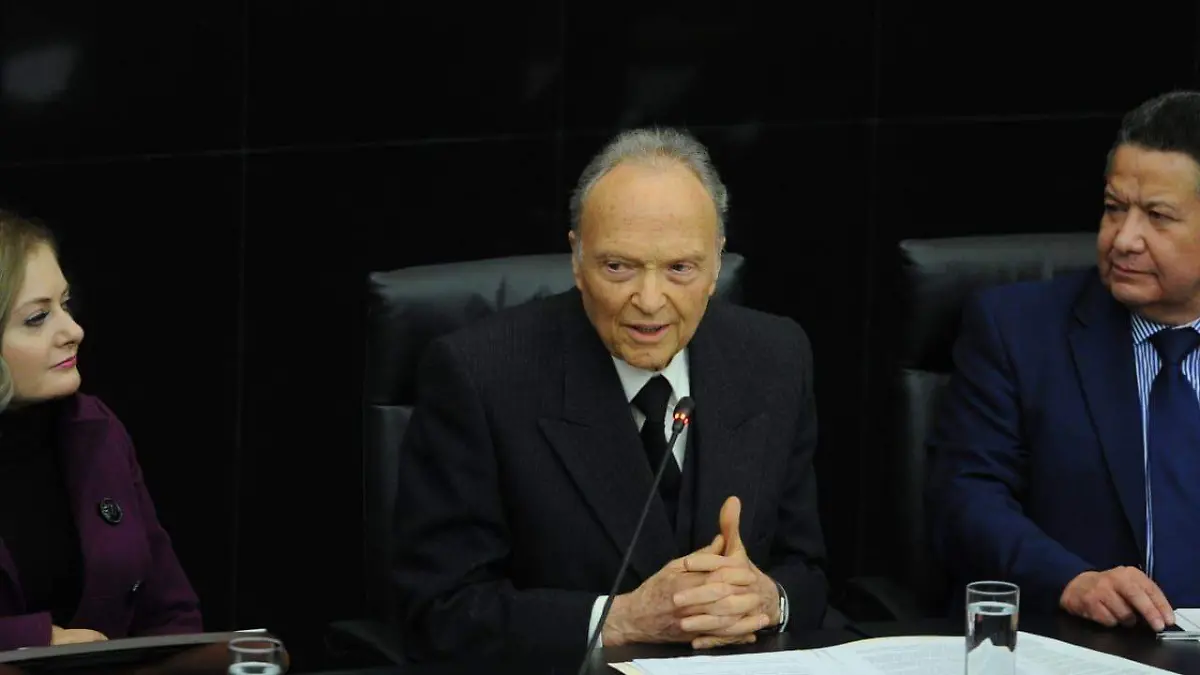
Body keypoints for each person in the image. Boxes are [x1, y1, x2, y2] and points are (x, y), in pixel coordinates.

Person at [391, 128, 828, 660]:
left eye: (680, 268)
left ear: (716, 264)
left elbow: (806, 570)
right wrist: (617, 620)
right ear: (577, 260)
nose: (650, 300)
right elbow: (440, 610)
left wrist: (769, 600)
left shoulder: (775, 356)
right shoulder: (479, 376)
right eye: (618, 267)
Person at [926, 90, 1200, 633]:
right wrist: (1073, 581)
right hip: (1083, 643)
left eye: (1157, 216)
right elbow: (967, 498)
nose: (1124, 239)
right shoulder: (1017, 330)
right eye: (1114, 208)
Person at [0, 211, 202, 650]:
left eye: (65, 304)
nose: (74, 331)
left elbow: (171, 614)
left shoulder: (95, 430)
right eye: (37, 318)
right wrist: (33, 642)